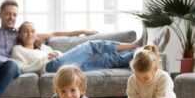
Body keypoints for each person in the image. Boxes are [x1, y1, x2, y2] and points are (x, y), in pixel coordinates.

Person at [12, 21, 147, 74]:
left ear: (36, 34)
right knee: (91, 46)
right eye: (25, 31)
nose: (29, 34)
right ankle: (136, 44)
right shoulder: (18, 49)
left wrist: (57, 53)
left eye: (32, 31)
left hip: (64, 67)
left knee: (107, 59)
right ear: (20, 34)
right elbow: (21, 69)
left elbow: (60, 55)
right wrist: (43, 60)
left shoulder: (43, 48)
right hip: (49, 68)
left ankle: (143, 51)